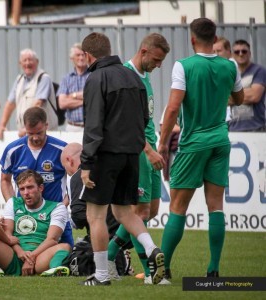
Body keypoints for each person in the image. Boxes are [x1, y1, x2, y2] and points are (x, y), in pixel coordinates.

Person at [158, 18, 244, 281]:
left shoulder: (183, 66)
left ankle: (163, 270)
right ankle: (213, 269)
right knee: (216, 207)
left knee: (178, 208)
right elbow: (239, 98)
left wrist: (162, 143)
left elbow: (173, 108)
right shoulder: (230, 65)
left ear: (192, 39)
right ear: (215, 37)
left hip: (193, 143)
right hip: (220, 140)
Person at [79, 32, 165, 286]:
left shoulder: (96, 78)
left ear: (88, 55)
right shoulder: (134, 77)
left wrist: (86, 163)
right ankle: (151, 249)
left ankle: (102, 275)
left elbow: (93, 125)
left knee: (96, 216)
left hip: (106, 156)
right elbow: (145, 121)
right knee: (124, 212)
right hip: (132, 155)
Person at [106, 33, 170, 284]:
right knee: (138, 212)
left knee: (150, 210)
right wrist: (148, 150)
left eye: (162, 60)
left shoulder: (146, 75)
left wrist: (156, 146)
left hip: (150, 149)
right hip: (136, 152)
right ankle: (150, 271)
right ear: (144, 51)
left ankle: (111, 255)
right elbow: (124, 124)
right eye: (156, 59)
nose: (159, 64)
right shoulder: (125, 75)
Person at [0, 170, 71, 277]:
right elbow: (8, 235)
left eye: (30, 187)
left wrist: (31, 257)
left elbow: (52, 239)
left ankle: (55, 269)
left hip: (39, 258)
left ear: (40, 188)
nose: (26, 193)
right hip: (12, 255)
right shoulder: (13, 203)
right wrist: (20, 252)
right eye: (22, 189)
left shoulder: (57, 207)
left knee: (65, 247)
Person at [0, 106, 74, 248]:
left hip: (55, 218)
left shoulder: (62, 150)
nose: (35, 137)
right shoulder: (13, 150)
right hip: (24, 219)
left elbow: (76, 178)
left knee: (68, 260)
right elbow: (5, 180)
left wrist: (63, 206)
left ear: (47, 125)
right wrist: (14, 205)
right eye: (30, 133)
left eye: (39, 133)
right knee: (20, 261)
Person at [0, 48, 58, 138]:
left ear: (37, 62)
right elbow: (10, 104)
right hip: (27, 132)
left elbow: (38, 103)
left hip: (43, 133)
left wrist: (27, 128)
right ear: (20, 63)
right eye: (24, 60)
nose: (27, 63)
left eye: (30, 60)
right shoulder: (19, 79)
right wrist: (2, 125)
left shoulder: (44, 78)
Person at [229, 39, 266, 132]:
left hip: (255, 128)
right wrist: (246, 92)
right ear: (232, 55)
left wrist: (230, 95)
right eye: (237, 52)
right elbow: (222, 99)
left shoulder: (259, 71)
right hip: (233, 128)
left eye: (244, 51)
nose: (240, 54)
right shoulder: (230, 74)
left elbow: (254, 96)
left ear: (249, 53)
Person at [57, 43, 89, 132]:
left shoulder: (93, 75)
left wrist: (72, 95)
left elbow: (95, 96)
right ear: (72, 58)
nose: (81, 58)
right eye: (78, 55)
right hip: (72, 127)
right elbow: (62, 103)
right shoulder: (66, 79)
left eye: (83, 55)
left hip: (90, 127)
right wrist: (86, 101)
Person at [213, 36, 239, 123]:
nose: (216, 54)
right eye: (213, 51)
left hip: (234, 118)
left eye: (219, 51)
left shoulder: (233, 65)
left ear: (228, 52)